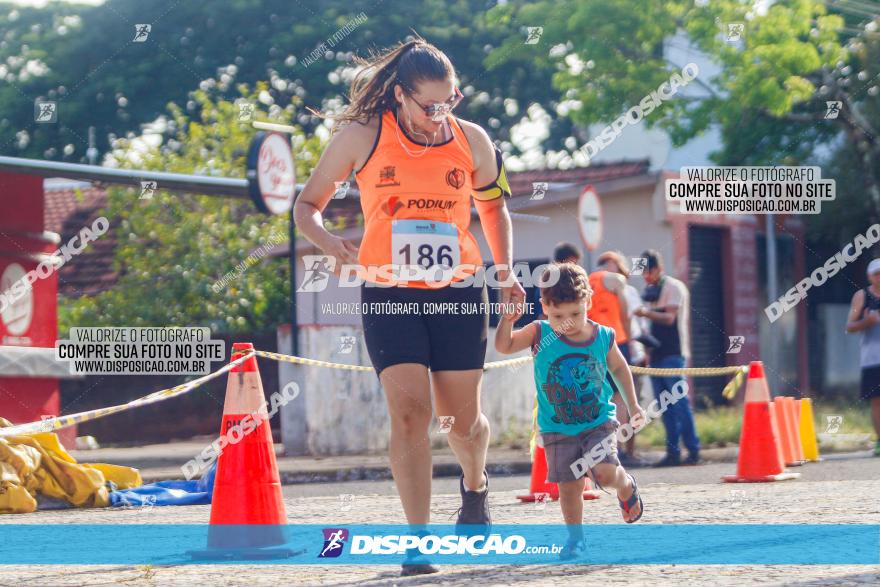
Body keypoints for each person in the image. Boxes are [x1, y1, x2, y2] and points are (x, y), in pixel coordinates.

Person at [293, 38, 526, 575]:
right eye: (430, 104)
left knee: (461, 422)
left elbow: (494, 209)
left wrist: (506, 269)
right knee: (409, 414)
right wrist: (331, 245)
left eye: (451, 101)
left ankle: (475, 488)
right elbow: (307, 207)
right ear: (400, 95)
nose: (441, 113)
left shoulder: (473, 141)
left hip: (461, 290)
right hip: (389, 291)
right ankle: (417, 541)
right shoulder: (362, 137)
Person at [495, 263, 645, 560]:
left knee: (604, 472)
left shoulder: (603, 336)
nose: (567, 323)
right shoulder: (539, 333)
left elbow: (618, 367)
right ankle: (576, 539)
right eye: (558, 315)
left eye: (576, 314)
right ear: (545, 307)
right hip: (556, 427)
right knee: (570, 486)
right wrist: (507, 320)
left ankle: (625, 485)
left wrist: (633, 404)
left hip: (597, 421)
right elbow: (504, 346)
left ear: (588, 302)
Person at [634, 250, 701, 467]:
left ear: (658, 268)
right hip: (655, 355)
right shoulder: (650, 291)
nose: (646, 277)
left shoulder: (673, 287)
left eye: (648, 272)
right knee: (664, 406)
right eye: (643, 273)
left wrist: (645, 313)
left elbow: (669, 318)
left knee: (680, 403)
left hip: (673, 353)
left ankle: (693, 449)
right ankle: (673, 452)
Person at [588, 251, 639, 464]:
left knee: (599, 399)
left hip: (592, 345)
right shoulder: (611, 279)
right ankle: (622, 450)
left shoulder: (587, 282)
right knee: (621, 399)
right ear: (610, 264)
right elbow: (626, 315)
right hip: (618, 342)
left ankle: (605, 449)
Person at [845, 258, 880, 457]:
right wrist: (868, 321)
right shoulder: (862, 296)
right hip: (873, 359)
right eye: (876, 274)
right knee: (877, 402)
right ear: (869, 276)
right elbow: (849, 327)